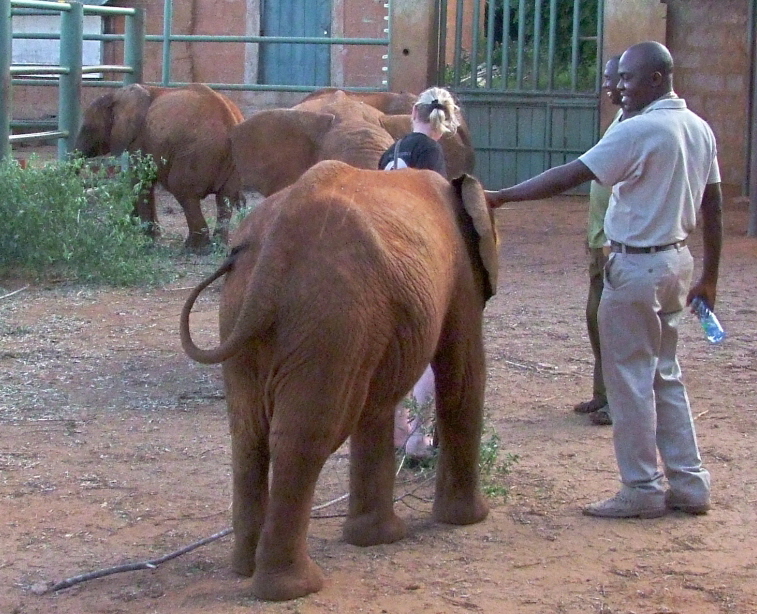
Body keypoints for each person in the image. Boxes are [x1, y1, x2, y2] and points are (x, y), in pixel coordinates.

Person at [485, 41, 722, 519]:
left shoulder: (639, 130)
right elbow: (712, 205)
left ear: (657, 79)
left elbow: (569, 175)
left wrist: (502, 196)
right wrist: (711, 275)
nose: (619, 87)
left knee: (630, 381)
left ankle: (641, 487)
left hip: (636, 267)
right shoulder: (698, 127)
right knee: (664, 375)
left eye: (628, 79)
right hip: (677, 262)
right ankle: (690, 483)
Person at [380, 86, 462, 459]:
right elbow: (436, 202)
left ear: (413, 112)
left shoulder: (388, 152)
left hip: (383, 251)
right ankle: (417, 437)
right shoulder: (431, 151)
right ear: (443, 122)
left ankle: (397, 434)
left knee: (392, 348)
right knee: (428, 347)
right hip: (415, 254)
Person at [573, 54, 631, 427]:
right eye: (610, 79)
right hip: (600, 240)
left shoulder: (636, 126)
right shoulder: (620, 120)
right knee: (596, 319)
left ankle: (617, 400)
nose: (610, 86)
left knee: (612, 323)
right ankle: (603, 393)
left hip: (616, 241)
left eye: (617, 79)